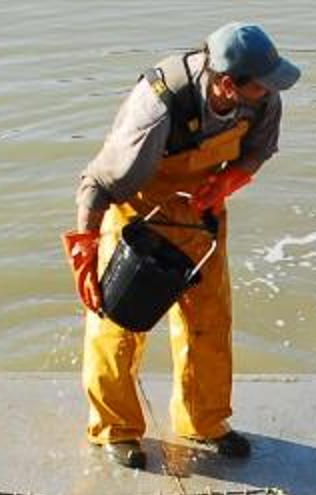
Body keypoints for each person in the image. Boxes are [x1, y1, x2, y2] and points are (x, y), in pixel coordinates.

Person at [65, 23, 297, 470]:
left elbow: (259, 150)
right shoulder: (158, 107)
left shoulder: (263, 97)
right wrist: (85, 251)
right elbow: (96, 184)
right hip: (139, 216)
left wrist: (231, 179)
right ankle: (116, 428)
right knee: (119, 325)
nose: (271, 92)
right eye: (261, 86)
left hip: (202, 214)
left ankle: (202, 422)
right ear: (226, 85)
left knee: (210, 321)